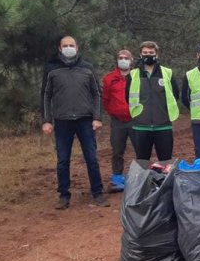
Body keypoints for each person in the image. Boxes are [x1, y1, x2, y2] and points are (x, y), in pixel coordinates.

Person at [41, 35, 109, 209]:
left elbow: (97, 93)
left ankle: (98, 193)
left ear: (77, 48)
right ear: (60, 48)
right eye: (65, 45)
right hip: (62, 121)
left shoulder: (87, 68)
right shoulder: (51, 69)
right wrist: (47, 120)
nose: (68, 48)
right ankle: (64, 195)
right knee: (63, 159)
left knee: (91, 158)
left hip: (85, 120)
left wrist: (97, 117)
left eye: (72, 45)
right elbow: (46, 95)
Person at [125, 41, 180, 163]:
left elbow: (175, 95)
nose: (148, 55)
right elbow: (128, 97)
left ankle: (165, 182)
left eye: (151, 52)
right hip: (141, 126)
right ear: (140, 54)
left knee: (166, 162)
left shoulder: (167, 72)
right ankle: (143, 182)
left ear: (157, 54)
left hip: (163, 125)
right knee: (142, 162)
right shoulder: (133, 74)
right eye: (145, 53)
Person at [101, 48, 135, 192]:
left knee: (141, 148)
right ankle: (117, 178)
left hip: (135, 119)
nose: (123, 60)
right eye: (120, 57)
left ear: (131, 60)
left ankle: (140, 177)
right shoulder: (109, 78)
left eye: (126, 57)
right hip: (117, 120)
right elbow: (105, 100)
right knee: (117, 149)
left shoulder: (137, 76)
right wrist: (114, 112)